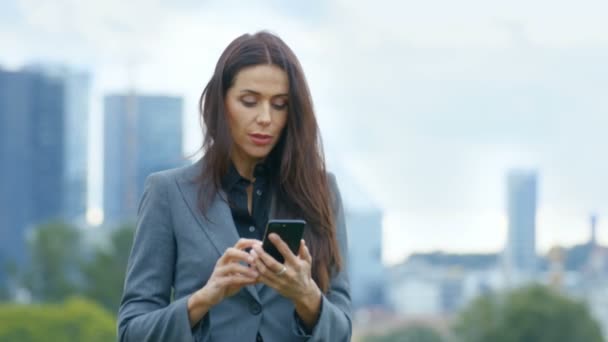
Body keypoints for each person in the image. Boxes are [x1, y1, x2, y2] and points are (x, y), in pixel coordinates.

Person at [117, 31, 352, 342]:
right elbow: (132, 332)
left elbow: (343, 331)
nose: (265, 118)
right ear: (220, 102)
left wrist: (305, 295)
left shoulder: (321, 190)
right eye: (249, 101)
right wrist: (206, 297)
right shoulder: (168, 193)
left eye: (280, 104)